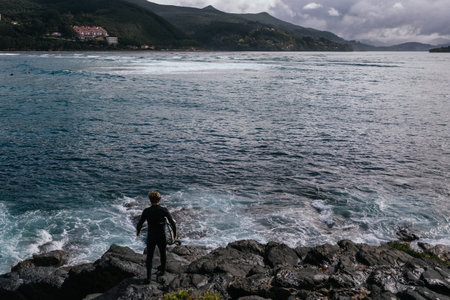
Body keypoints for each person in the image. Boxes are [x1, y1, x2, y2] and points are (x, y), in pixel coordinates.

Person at [136, 191, 176, 283]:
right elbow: (172, 223)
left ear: (150, 200)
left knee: (149, 257)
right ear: (159, 199)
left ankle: (148, 278)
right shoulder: (164, 210)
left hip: (151, 236)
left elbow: (140, 223)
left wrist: (138, 232)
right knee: (163, 254)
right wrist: (174, 235)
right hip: (161, 236)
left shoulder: (146, 211)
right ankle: (162, 272)